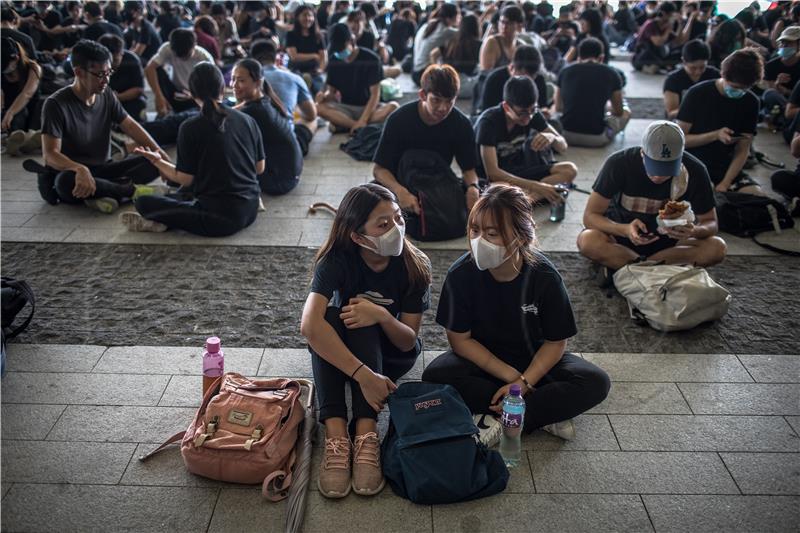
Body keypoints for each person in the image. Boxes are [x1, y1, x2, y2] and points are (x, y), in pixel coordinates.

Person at [422, 183, 610, 444]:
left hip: (535, 360)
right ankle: (541, 411)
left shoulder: (544, 276)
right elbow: (460, 340)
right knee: (435, 376)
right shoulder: (461, 274)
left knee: (595, 381)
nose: (479, 241)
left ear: (521, 236)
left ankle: (507, 415)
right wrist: (513, 379)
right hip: (483, 360)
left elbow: (556, 342)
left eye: (491, 233)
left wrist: (525, 380)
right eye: (474, 230)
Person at [300, 183, 431, 498]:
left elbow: (407, 341)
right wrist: (364, 375)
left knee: (362, 313)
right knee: (336, 316)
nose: (396, 228)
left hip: (392, 354)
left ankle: (365, 430)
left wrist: (383, 316)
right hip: (351, 358)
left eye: (398, 218)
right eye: (383, 224)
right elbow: (309, 325)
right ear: (357, 237)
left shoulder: (415, 265)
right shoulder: (335, 261)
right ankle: (335, 432)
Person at [124, 62, 264, 236]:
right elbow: (259, 168)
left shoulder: (190, 127)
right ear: (222, 88)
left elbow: (185, 179)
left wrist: (156, 161)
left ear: (191, 93)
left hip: (221, 220)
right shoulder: (247, 120)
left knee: (143, 202)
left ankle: (163, 221)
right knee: (183, 195)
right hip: (250, 209)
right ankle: (170, 215)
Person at [577, 121, 726, 276]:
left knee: (716, 248)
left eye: (667, 169)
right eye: (654, 167)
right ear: (642, 153)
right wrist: (624, 230)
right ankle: (658, 271)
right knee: (588, 240)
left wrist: (693, 230)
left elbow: (711, 222)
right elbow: (590, 216)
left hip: (669, 246)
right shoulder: (619, 163)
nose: (658, 176)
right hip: (620, 239)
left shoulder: (695, 170)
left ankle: (630, 270)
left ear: (681, 158)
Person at [34, 39, 165, 212]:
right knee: (64, 183)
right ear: (79, 72)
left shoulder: (106, 94)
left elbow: (131, 126)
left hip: (104, 168)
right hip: (74, 173)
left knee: (152, 161)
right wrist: (78, 168)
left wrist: (161, 156)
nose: (106, 80)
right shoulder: (55, 104)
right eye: (100, 75)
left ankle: (101, 193)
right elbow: (50, 154)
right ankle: (129, 191)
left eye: (109, 72)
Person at [373, 64, 480, 217]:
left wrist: (473, 188)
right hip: (399, 181)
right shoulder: (399, 119)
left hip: (436, 182)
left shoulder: (461, 123)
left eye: (449, 101)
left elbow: (469, 169)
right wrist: (401, 192)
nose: (443, 108)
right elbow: (379, 170)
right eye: (436, 100)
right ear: (423, 95)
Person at [476, 76, 576, 205]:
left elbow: (563, 146)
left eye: (532, 110)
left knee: (569, 169)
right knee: (499, 188)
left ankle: (524, 202)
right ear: (506, 107)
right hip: (495, 178)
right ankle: (533, 197)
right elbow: (493, 173)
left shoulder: (532, 113)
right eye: (522, 113)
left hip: (520, 170)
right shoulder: (488, 122)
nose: (528, 118)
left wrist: (552, 137)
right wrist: (538, 186)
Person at [677, 48, 764, 194]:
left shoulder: (751, 101)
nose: (739, 92)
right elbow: (680, 140)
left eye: (744, 89)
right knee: (706, 190)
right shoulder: (697, 94)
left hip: (725, 166)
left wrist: (725, 183)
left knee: (756, 194)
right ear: (723, 75)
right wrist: (715, 135)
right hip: (692, 162)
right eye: (735, 87)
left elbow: (743, 149)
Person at [232, 58, 302, 196]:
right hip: (291, 175)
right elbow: (235, 109)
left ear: (257, 82)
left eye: (241, 80)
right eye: (233, 79)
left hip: (279, 181)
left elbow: (225, 115)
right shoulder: (262, 100)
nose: (234, 85)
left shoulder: (255, 111)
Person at [317, 23, 398, 134]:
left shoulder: (371, 59)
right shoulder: (334, 60)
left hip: (369, 108)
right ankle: (356, 126)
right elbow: (331, 92)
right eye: (337, 50)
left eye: (342, 48)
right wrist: (324, 96)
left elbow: (375, 95)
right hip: (346, 108)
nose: (339, 53)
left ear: (352, 41)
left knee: (393, 107)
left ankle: (344, 124)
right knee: (318, 108)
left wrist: (363, 119)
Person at [556, 37, 630, 147]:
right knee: (626, 112)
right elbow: (618, 112)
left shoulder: (564, 72)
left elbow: (559, 107)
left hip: (565, 135)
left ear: (579, 57)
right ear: (601, 58)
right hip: (597, 138)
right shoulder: (612, 73)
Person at [250, 39, 317, 156]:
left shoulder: (248, 81)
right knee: (312, 120)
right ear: (276, 57)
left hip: (253, 147)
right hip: (287, 146)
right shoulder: (294, 77)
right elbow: (311, 114)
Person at [145, 28, 214, 116]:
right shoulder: (167, 48)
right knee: (157, 70)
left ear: (195, 45)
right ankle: (164, 107)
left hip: (196, 96)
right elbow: (149, 69)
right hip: (174, 92)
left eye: (186, 55)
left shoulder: (204, 58)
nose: (182, 59)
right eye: (178, 56)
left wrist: (194, 95)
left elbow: (213, 88)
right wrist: (158, 96)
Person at [476, 44, 549, 115]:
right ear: (512, 68)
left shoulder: (539, 79)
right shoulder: (495, 80)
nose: (527, 82)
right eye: (522, 77)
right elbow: (487, 113)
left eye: (531, 77)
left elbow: (542, 107)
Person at [663, 39, 720, 120]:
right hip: (682, 120)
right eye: (693, 68)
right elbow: (671, 113)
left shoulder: (715, 75)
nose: (698, 72)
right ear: (683, 61)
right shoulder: (673, 80)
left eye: (702, 67)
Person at [430, 12, 481, 98]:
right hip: (468, 87)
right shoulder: (479, 45)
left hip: (448, 86)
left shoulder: (451, 42)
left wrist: (437, 75)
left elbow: (433, 54)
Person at [98, 33, 146, 122]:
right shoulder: (93, 62)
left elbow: (138, 89)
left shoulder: (132, 60)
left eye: (115, 60)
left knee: (139, 104)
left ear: (121, 54)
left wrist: (117, 97)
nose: (110, 65)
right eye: (107, 61)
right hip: (101, 99)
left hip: (125, 98)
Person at [1, 38, 42, 136]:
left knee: (40, 106)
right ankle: (15, 138)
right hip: (9, 111)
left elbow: (27, 94)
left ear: (16, 58)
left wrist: (10, 113)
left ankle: (29, 136)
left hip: (31, 109)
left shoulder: (33, 68)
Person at [411, 3, 458, 85]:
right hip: (423, 75)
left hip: (415, 71)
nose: (459, 18)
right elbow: (467, 32)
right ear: (451, 17)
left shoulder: (428, 25)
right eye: (458, 14)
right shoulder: (446, 31)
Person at [762, 26, 800, 128]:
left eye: (789, 43)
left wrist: (787, 91)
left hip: (795, 103)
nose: (784, 46)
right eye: (782, 42)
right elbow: (769, 89)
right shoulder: (771, 65)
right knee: (770, 94)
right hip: (781, 101)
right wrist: (777, 85)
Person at [285, 4, 327, 95]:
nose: (308, 18)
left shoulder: (319, 36)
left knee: (319, 88)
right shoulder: (291, 34)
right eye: (304, 15)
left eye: (310, 15)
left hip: (314, 71)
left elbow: (324, 57)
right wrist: (314, 56)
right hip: (296, 69)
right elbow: (294, 56)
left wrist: (320, 69)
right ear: (297, 17)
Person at [632, 1, 680, 73]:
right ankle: (657, 66)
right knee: (651, 52)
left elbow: (678, 40)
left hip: (656, 56)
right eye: (671, 15)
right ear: (664, 14)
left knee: (677, 54)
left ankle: (661, 65)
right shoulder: (651, 24)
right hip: (642, 57)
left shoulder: (665, 25)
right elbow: (657, 42)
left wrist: (681, 24)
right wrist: (668, 30)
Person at [479, 4, 525, 72]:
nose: (504, 27)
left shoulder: (521, 46)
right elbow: (485, 75)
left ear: (519, 26)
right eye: (502, 22)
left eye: (509, 23)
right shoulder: (491, 43)